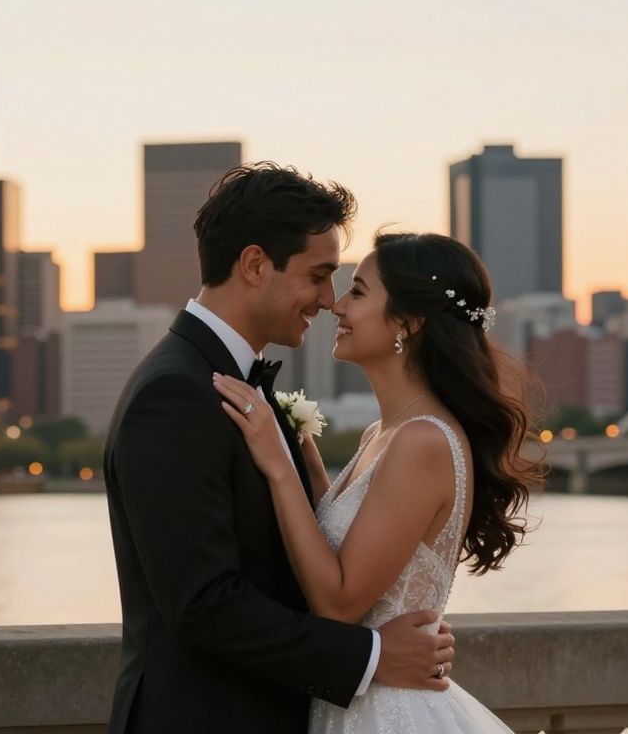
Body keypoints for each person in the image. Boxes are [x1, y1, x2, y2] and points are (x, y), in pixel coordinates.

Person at [103, 165, 456, 733]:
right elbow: (204, 605)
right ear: (254, 265)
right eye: (318, 276)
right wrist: (370, 656)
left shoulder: (233, 384)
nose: (328, 300)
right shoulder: (176, 394)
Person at [213, 231, 545, 733]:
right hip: (353, 699)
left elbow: (339, 603)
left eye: (359, 292)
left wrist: (278, 466)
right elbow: (349, 548)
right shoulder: (382, 434)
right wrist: (311, 471)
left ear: (408, 323)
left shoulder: (422, 442)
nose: (337, 306)